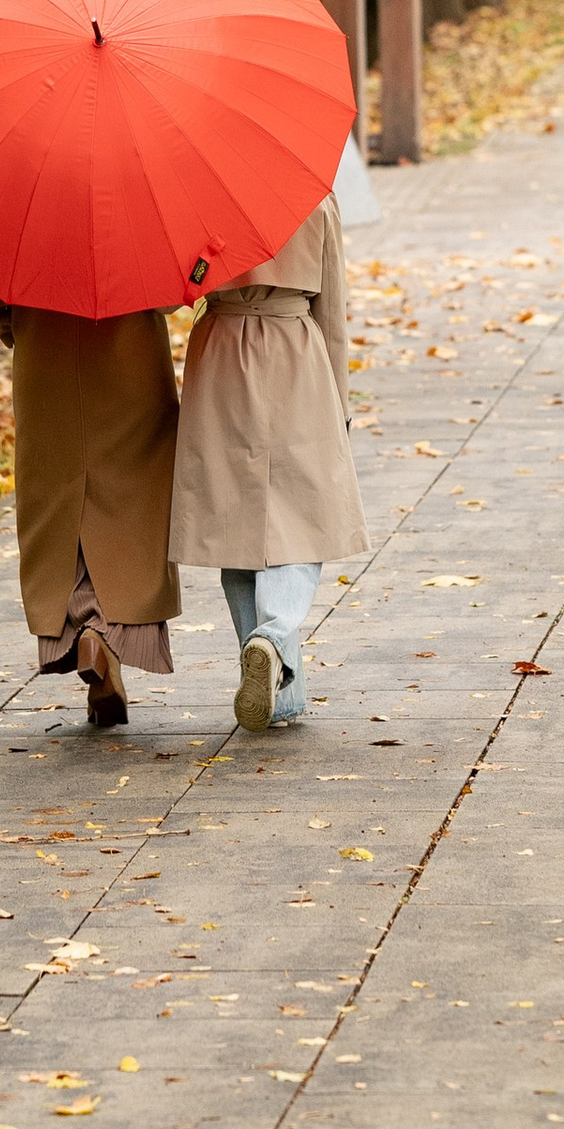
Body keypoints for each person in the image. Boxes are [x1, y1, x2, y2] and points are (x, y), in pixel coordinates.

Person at [168, 186, 363, 733]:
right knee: (300, 520)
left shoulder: (195, 201)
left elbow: (170, 295)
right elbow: (334, 311)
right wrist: (341, 404)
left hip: (221, 352)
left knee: (235, 521)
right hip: (296, 350)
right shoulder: (314, 198)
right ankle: (273, 638)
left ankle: (281, 689)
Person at [0, 289, 179, 730]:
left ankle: (86, 627)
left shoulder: (21, 216)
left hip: (43, 347)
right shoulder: (135, 215)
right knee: (133, 495)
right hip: (130, 351)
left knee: (57, 498)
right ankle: (103, 633)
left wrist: (17, 324)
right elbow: (168, 293)